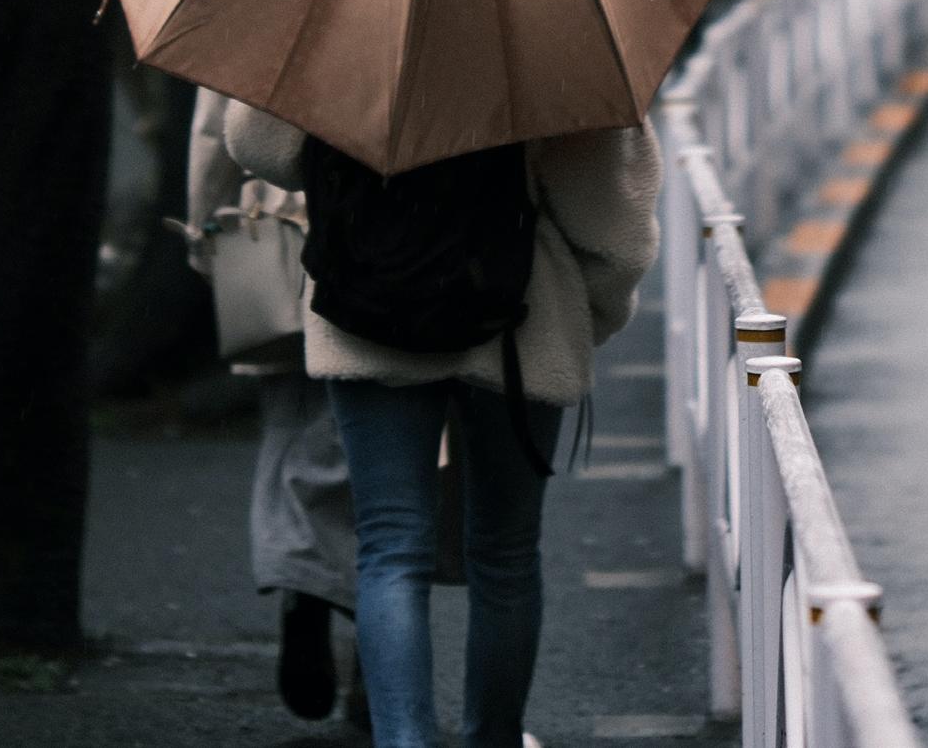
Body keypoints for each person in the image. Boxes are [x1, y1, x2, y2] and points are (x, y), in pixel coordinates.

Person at [226, 101, 661, 748]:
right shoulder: (557, 39)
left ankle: (404, 739)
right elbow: (611, 226)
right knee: (506, 552)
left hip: (366, 299)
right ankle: (493, 737)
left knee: (389, 547)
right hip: (521, 316)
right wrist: (591, 313)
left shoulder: (345, 17)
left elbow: (259, 142)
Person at [184, 88, 359, 722]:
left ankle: (299, 578)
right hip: (388, 228)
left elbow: (215, 127)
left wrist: (204, 224)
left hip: (280, 223)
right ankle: (379, 658)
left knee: (290, 419)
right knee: (388, 439)